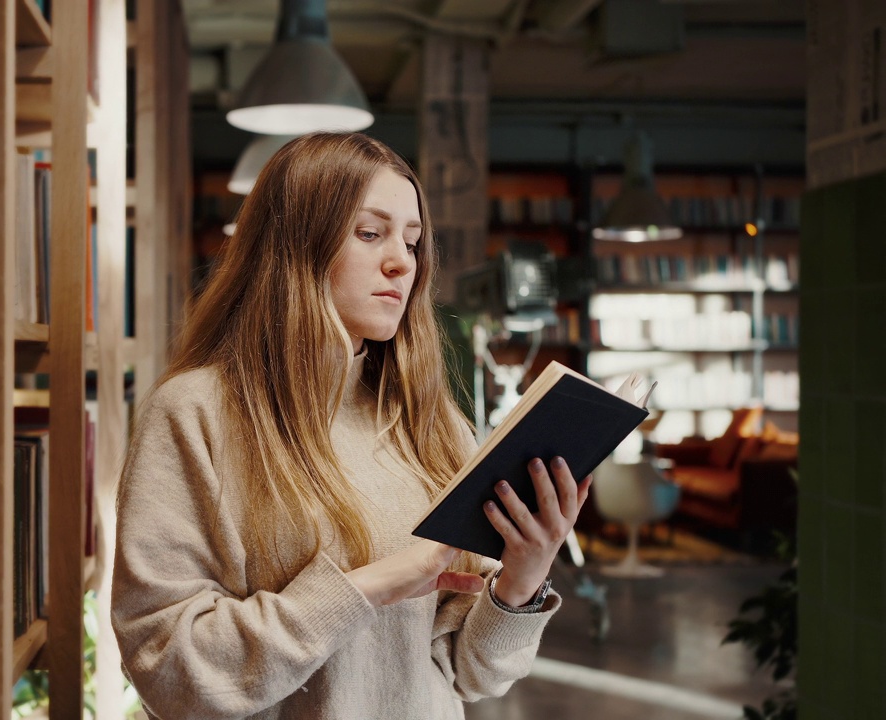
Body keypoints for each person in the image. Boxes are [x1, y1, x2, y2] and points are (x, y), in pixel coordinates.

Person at [111, 132, 591, 719]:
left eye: (413, 243)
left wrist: (522, 579)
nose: (402, 261)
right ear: (294, 246)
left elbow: (472, 674)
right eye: (370, 233)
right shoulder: (196, 414)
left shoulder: (431, 424)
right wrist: (365, 588)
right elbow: (170, 669)